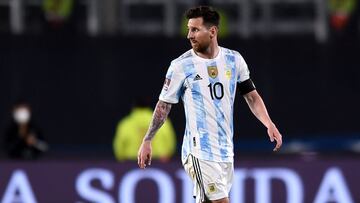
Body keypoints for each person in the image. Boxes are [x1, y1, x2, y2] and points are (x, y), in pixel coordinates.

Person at [138, 6, 282, 203]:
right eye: (189, 29)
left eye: (195, 30)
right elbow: (164, 106)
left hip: (225, 151)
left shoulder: (234, 60)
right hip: (199, 151)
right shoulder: (181, 66)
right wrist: (148, 140)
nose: (189, 35)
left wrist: (269, 123)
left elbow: (251, 96)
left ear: (212, 31)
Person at [113, 97, 176, 162]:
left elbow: (119, 148)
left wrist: (121, 161)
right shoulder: (163, 121)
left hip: (131, 163)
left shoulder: (125, 123)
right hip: (160, 163)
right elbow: (170, 144)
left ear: (133, 107)